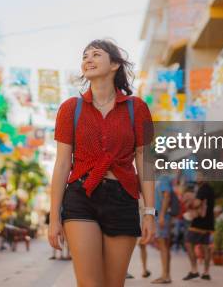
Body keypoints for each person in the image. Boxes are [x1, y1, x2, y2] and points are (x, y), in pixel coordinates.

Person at [48, 39, 156, 287]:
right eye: (85, 56)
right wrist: (54, 218)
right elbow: (62, 164)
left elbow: (145, 161)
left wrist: (149, 212)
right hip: (81, 196)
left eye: (96, 54)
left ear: (115, 64)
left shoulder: (136, 108)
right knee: (89, 284)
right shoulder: (70, 109)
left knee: (113, 284)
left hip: (123, 198)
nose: (88, 59)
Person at [183, 178, 215, 281]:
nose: (196, 177)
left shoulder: (203, 189)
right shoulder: (210, 189)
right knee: (205, 247)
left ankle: (194, 270)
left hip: (199, 222)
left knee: (188, 243)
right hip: (209, 222)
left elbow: (197, 203)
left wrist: (189, 202)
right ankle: (206, 272)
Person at [153, 175, 173, 284]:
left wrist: (161, 215)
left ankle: (165, 275)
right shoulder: (161, 178)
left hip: (162, 217)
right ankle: (166, 275)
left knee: (163, 245)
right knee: (164, 245)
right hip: (161, 216)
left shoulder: (163, 178)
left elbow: (166, 196)